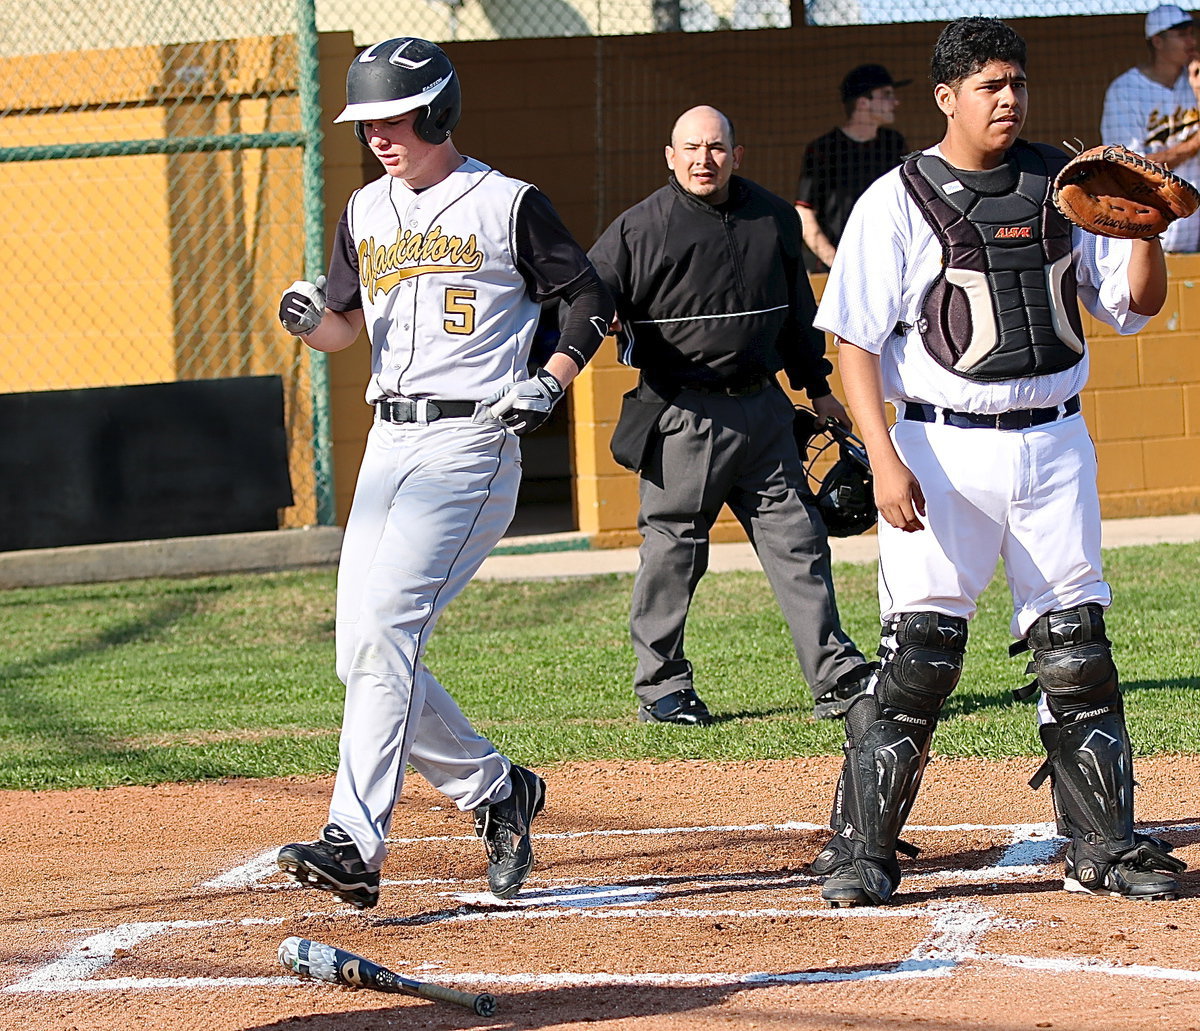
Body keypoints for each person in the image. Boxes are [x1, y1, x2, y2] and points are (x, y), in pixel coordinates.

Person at [810, 17, 1186, 907]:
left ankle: (1103, 843)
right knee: (921, 657)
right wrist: (885, 454)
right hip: (942, 448)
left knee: (1076, 647)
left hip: (1054, 442)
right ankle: (861, 849)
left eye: (1015, 81)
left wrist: (1144, 229)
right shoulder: (896, 197)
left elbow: (1133, 307)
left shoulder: (1069, 185)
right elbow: (853, 344)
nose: (1008, 98)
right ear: (946, 97)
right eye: (988, 85)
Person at [273, 37, 614, 908]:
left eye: (394, 118)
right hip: (388, 441)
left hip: (472, 442)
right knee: (362, 653)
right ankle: (498, 789)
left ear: (437, 110)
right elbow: (346, 326)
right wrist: (313, 321)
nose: (381, 136)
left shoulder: (507, 203)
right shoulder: (365, 211)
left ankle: (355, 839)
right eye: (369, 123)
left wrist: (553, 378)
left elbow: (588, 298)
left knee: (387, 625)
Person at [587, 105, 876, 728]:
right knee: (673, 551)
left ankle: (835, 675)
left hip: (765, 408)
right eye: (690, 148)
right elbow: (588, 294)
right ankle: (662, 689)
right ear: (670, 156)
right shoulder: (640, 228)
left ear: (736, 154)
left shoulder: (771, 216)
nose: (703, 160)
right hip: (681, 413)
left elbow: (799, 312)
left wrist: (818, 388)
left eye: (716, 148)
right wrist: (593, 323)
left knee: (800, 541)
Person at [1100, 4, 1200, 251]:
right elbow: (1132, 169)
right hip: (1155, 227)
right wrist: (1194, 144)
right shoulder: (1126, 90)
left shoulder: (1194, 80)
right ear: (1157, 41)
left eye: (1191, 32)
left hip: (1195, 225)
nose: (1191, 40)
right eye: (1181, 34)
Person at [795, 64, 909, 271]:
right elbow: (804, 211)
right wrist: (836, 262)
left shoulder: (893, 143)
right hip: (836, 266)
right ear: (863, 102)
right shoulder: (824, 149)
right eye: (886, 94)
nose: (896, 102)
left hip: (888, 264)